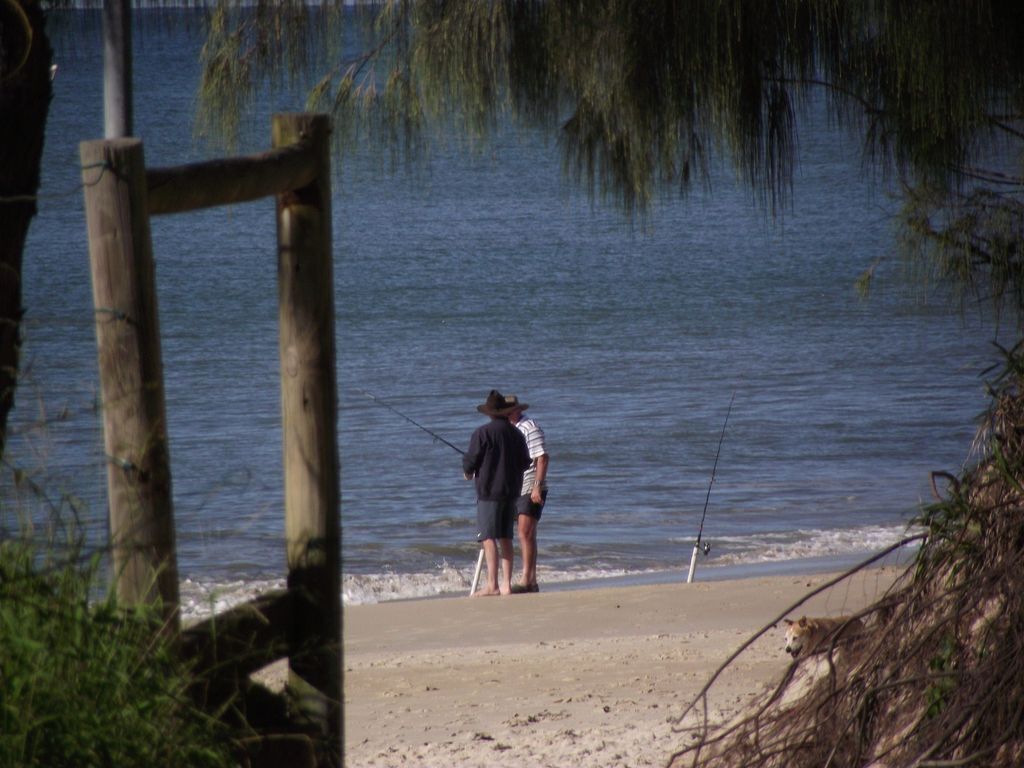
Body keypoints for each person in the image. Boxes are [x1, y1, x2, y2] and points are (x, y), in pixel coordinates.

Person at [463, 389, 531, 596]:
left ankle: (492, 584)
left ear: (489, 413)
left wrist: (468, 472)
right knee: (505, 537)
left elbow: (471, 461)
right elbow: (525, 462)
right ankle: (506, 585)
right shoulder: (516, 433)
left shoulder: (482, 433)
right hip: (511, 491)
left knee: (488, 537)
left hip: (489, 491)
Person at [505, 395, 549, 594]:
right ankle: (531, 579)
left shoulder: (530, 427)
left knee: (525, 532)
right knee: (527, 533)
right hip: (517, 485)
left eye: (508, 411)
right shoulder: (511, 429)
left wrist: (537, 486)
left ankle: (527, 579)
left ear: (516, 410)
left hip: (531, 483)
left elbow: (542, 458)